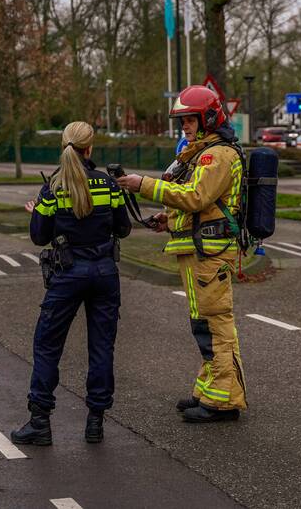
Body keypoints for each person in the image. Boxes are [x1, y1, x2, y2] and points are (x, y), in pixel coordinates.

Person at [117, 85, 248, 423]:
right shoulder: (201, 152)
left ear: (206, 119)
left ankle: (225, 401)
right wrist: (168, 219)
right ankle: (210, 390)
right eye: (182, 121)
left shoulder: (217, 155)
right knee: (202, 322)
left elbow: (196, 197)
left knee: (215, 324)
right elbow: (195, 205)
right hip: (198, 250)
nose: (184, 127)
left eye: (189, 120)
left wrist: (141, 184)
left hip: (210, 254)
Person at [11, 121, 132, 444]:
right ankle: (95, 422)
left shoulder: (53, 188)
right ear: (90, 148)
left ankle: (40, 422)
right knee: (101, 347)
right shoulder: (108, 185)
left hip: (67, 274)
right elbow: (123, 229)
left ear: (63, 146)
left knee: (48, 345)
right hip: (105, 273)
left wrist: (37, 211)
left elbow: (39, 237)